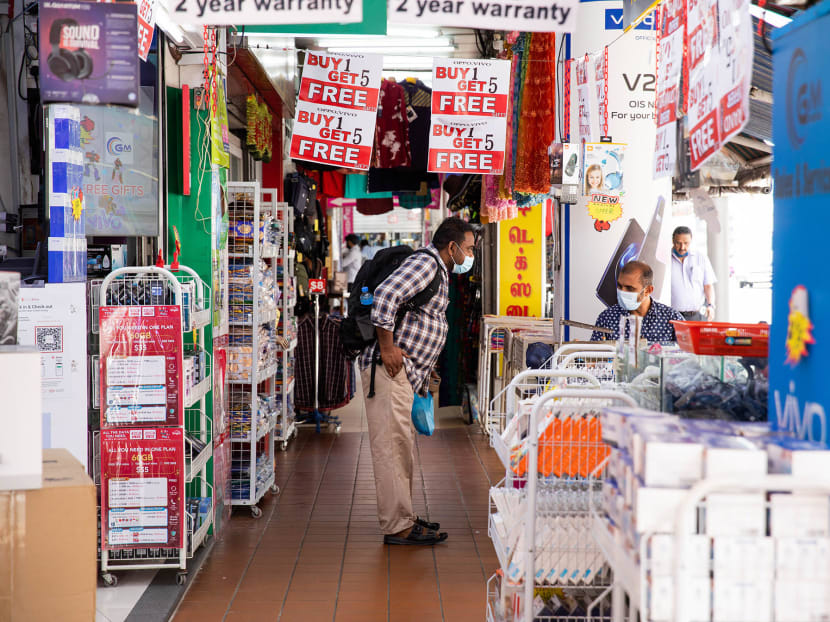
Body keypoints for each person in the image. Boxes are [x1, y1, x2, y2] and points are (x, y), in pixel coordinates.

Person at [360, 217, 476, 546]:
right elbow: (385, 296)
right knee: (391, 450)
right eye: (467, 249)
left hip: (403, 374)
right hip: (388, 371)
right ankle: (398, 526)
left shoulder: (437, 269)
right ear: (451, 247)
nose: (470, 256)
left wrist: (426, 370)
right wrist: (386, 347)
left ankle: (405, 517)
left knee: (401, 449)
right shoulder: (427, 263)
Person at [591, 260, 684, 343]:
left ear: (648, 290)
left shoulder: (673, 319)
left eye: (629, 288)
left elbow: (689, 356)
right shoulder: (607, 318)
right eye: (619, 286)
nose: (622, 292)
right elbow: (594, 356)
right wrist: (582, 352)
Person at [670, 226, 717, 321]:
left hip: (696, 315)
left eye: (686, 243)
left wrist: (710, 305)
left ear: (691, 241)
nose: (682, 247)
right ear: (673, 241)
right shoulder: (666, 258)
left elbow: (708, 285)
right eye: (678, 243)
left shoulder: (700, 257)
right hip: (672, 316)